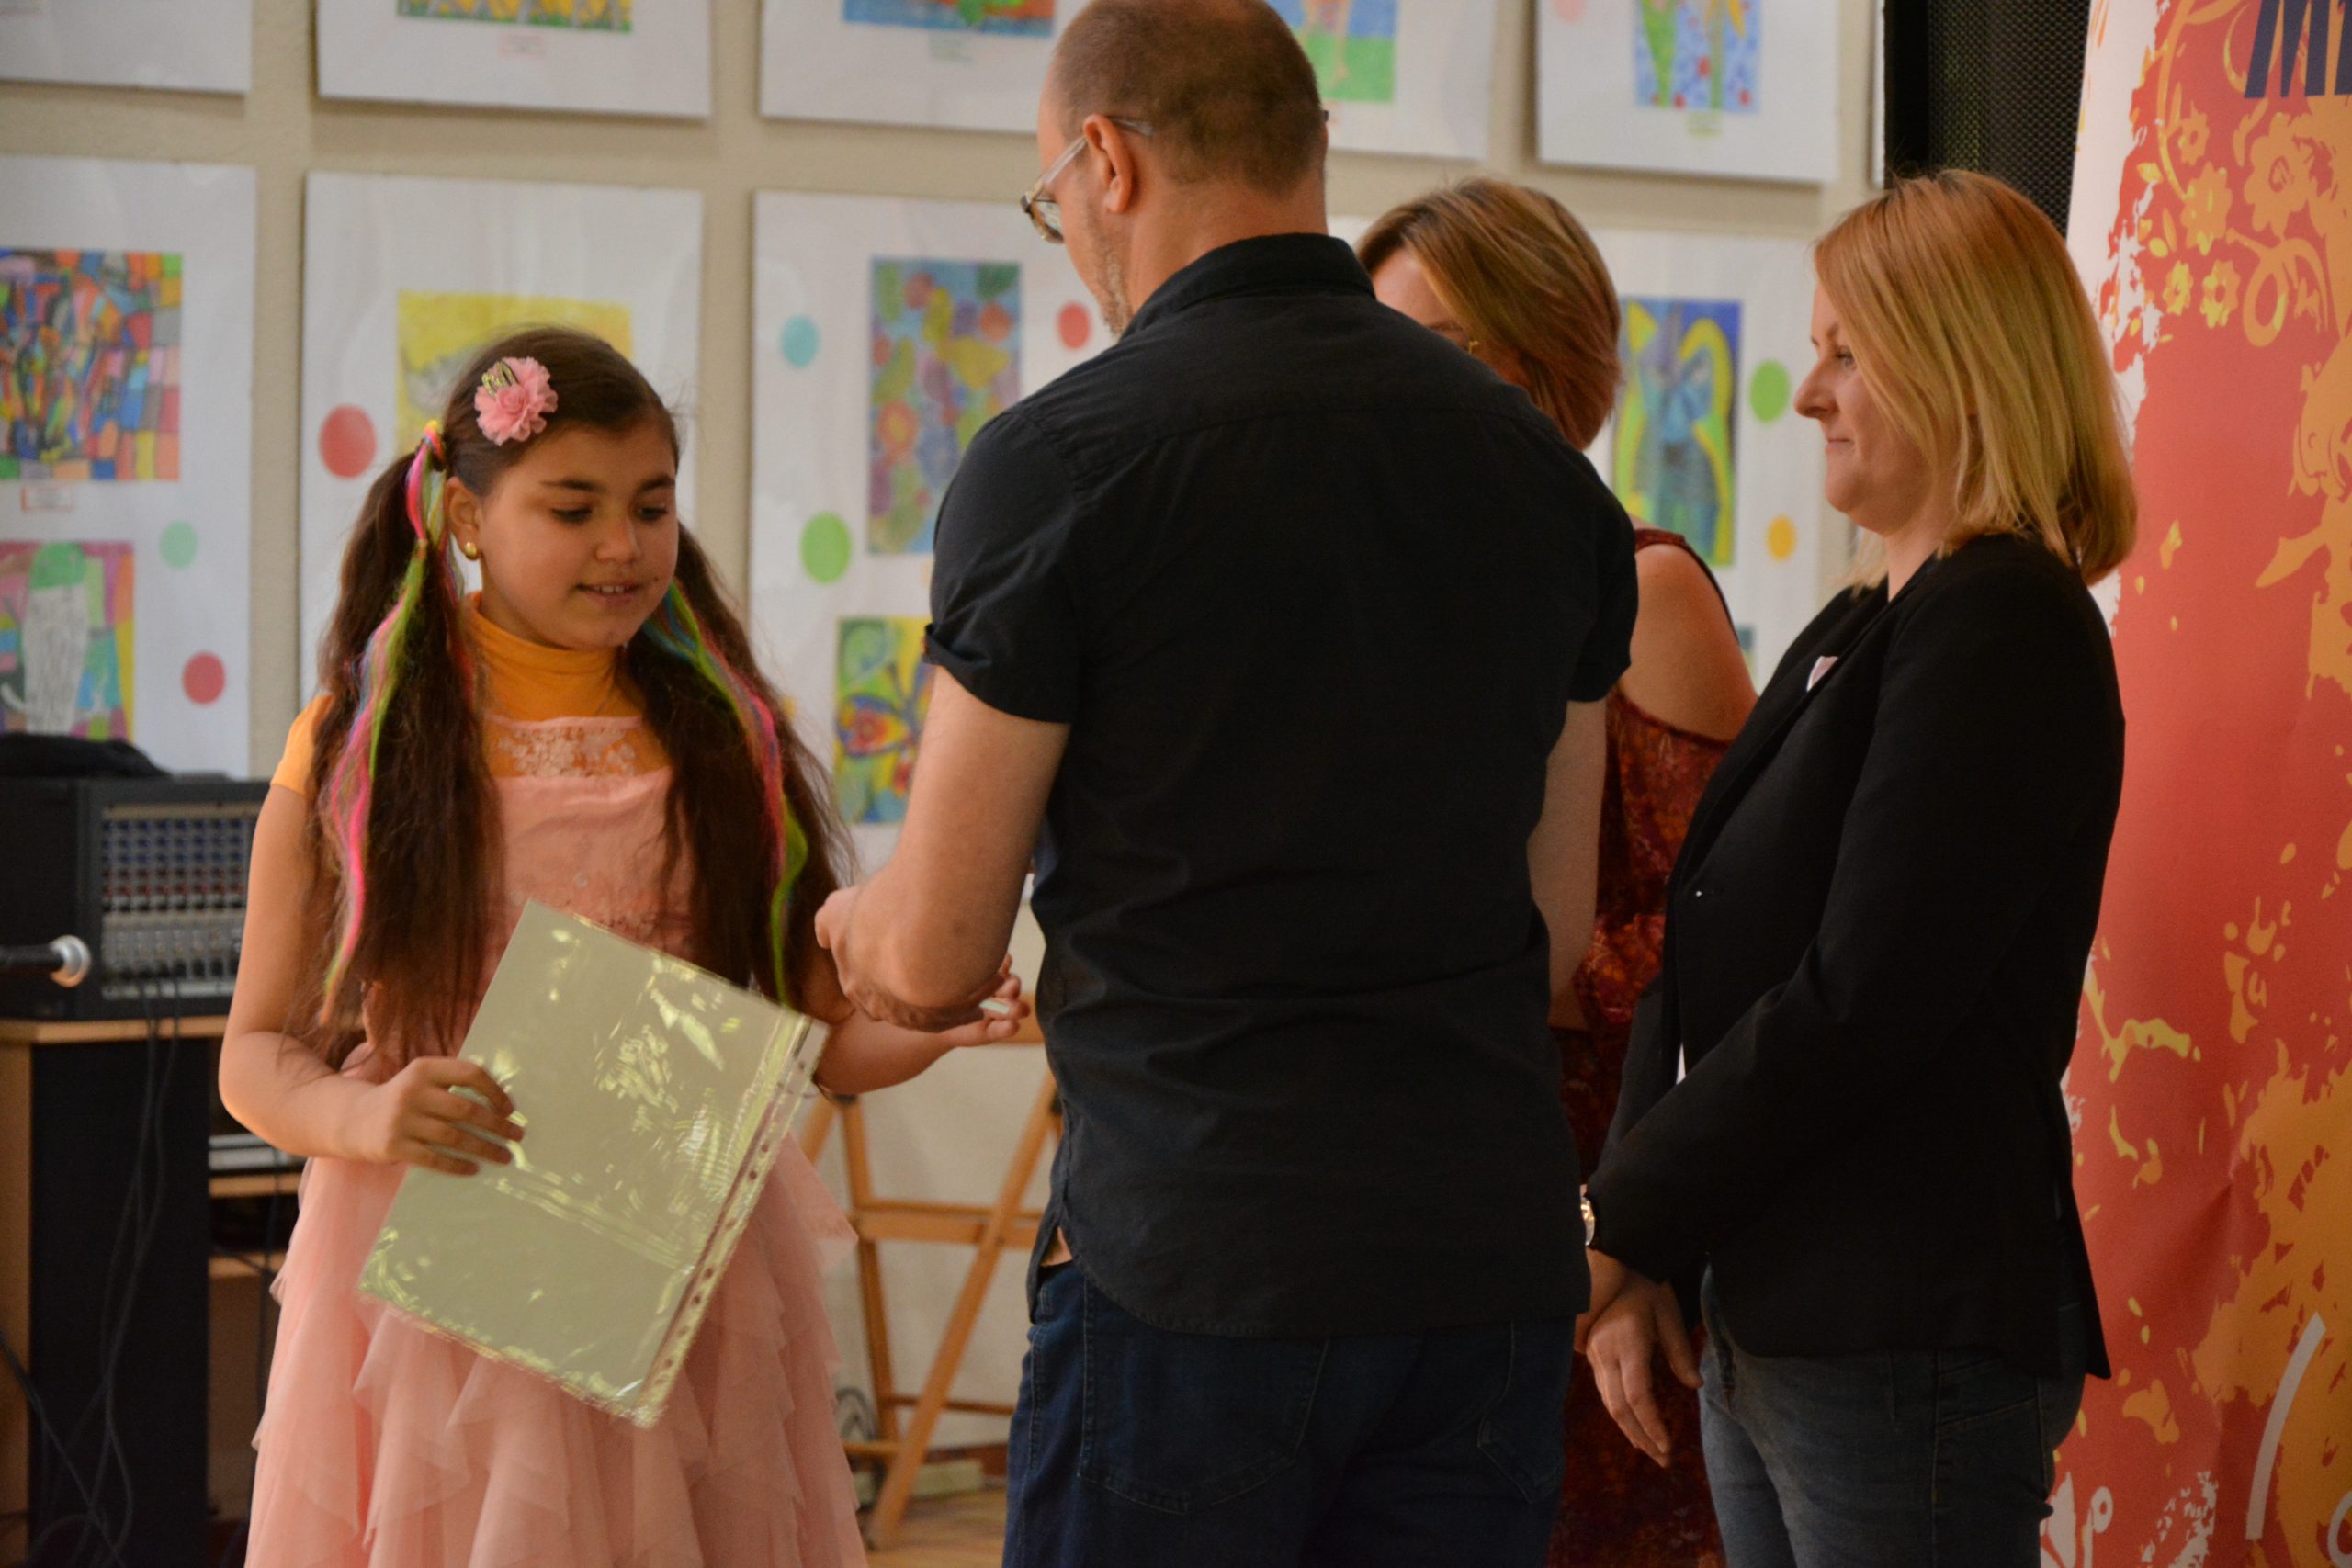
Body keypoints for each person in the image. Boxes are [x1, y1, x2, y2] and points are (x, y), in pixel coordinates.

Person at [811, 3, 1639, 1564]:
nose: (1069, 234)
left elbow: (933, 956)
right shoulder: (1542, 476)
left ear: (1105, 162)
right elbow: (1555, 935)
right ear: (1311, 149)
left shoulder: (1060, 466)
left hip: (1197, 1258)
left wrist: (852, 928)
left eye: (1054, 202)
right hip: (1477, 1264)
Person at [220, 328, 1027, 1566]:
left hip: (676, 1261)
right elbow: (257, 1054)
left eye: (651, 507)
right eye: (574, 508)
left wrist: (930, 1015)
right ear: (467, 517)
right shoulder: (360, 744)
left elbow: (814, 1037)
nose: (624, 545)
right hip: (440, 1268)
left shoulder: (722, 731)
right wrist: (363, 1117)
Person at [1577, 170, 2136, 1568]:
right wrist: (1644, 1248)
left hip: (1901, 1328)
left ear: (1961, 365)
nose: (1808, 394)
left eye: (1847, 352)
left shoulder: (2004, 623)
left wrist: (1619, 1218)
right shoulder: (1864, 619)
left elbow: (1862, 998)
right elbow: (1699, 952)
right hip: (1773, 1316)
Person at [1359, 177, 1754, 1568]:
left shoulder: (1646, 590)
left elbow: (1736, 940)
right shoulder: (1396, 602)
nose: (1387, 387)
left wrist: (1517, 969)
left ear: (1543, 364)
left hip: (1605, 1198)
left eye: (1433, 348)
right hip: (1436, 1195)